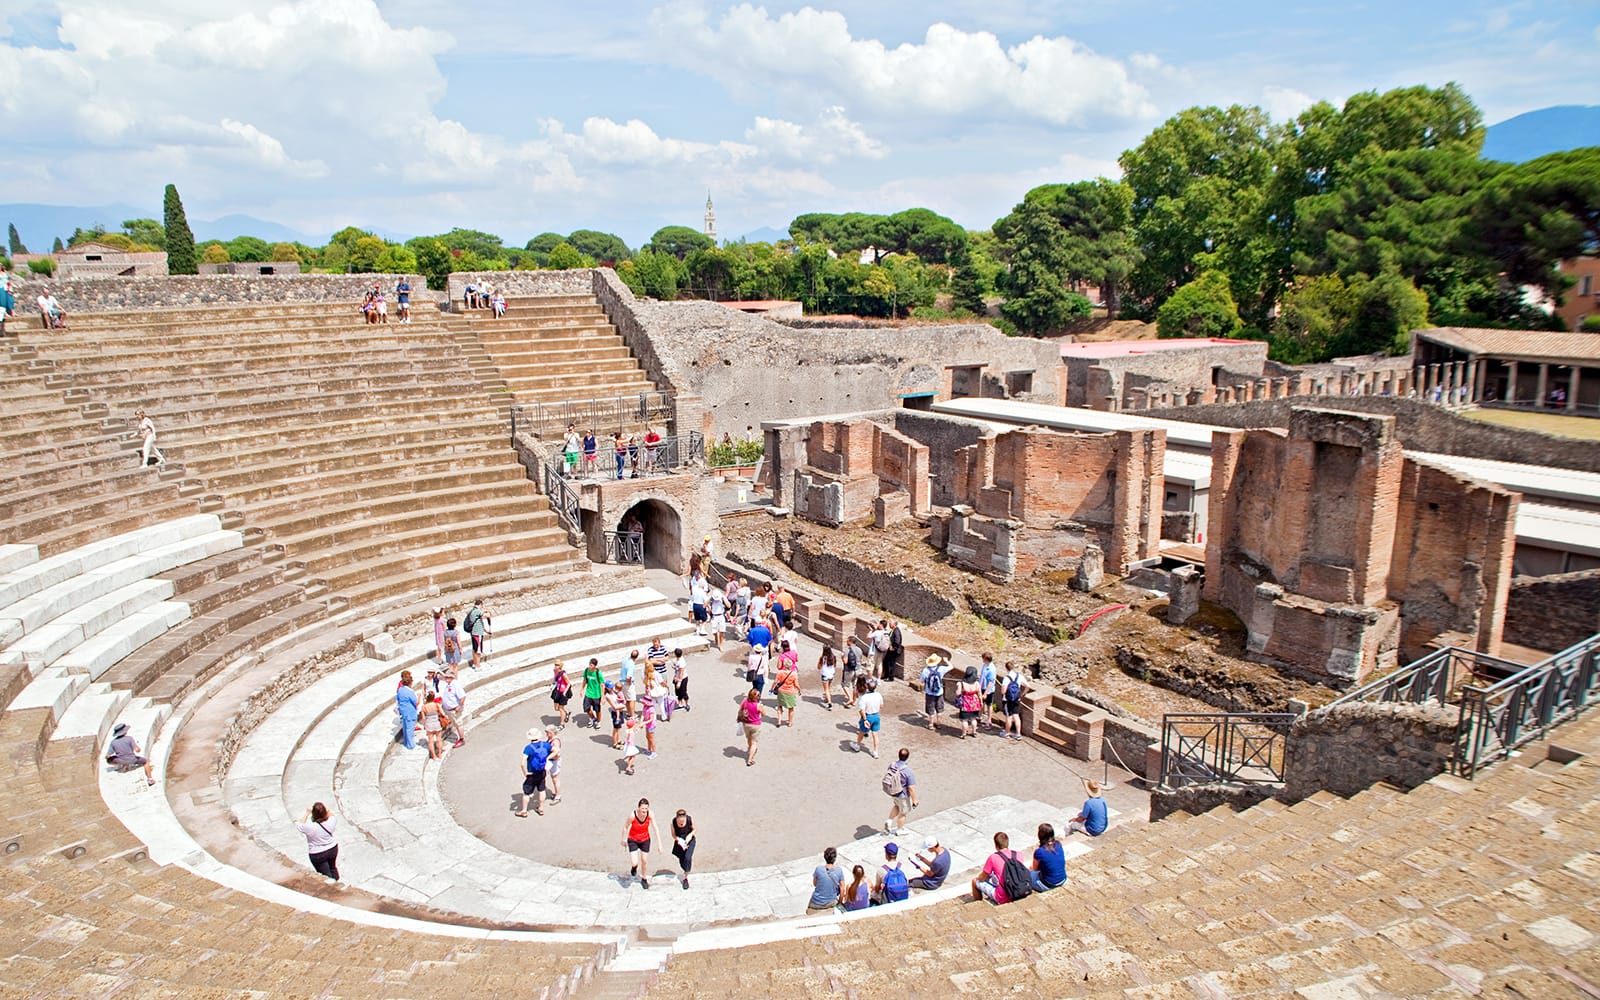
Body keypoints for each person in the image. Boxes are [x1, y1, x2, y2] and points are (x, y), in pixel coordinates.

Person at [972, 831, 1030, 905]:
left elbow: (983, 877)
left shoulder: (993, 858)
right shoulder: (1018, 854)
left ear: (996, 845)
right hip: (1022, 890)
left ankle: (978, 905)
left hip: (1003, 896)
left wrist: (978, 878)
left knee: (974, 881)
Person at [623, 798, 660, 889]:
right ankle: (634, 867)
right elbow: (625, 827)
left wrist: (660, 844)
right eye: (642, 808)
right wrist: (623, 839)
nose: (644, 811)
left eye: (646, 808)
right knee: (634, 862)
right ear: (639, 808)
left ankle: (644, 878)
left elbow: (655, 828)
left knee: (644, 861)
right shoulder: (632, 815)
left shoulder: (650, 814)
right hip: (633, 839)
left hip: (645, 839)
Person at [296, 803, 339, 880]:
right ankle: (337, 882)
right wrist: (324, 810)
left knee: (326, 875)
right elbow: (331, 814)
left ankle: (333, 887)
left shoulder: (309, 827)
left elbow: (299, 824)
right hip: (332, 849)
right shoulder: (331, 821)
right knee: (333, 868)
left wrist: (307, 813)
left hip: (318, 853)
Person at [883, 747, 917, 836]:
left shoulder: (892, 765)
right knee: (903, 813)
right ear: (907, 757)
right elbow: (911, 788)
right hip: (902, 795)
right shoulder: (908, 771)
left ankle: (889, 821)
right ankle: (900, 829)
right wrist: (914, 800)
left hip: (893, 791)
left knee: (897, 806)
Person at [517, 728, 551, 817]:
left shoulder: (528, 748)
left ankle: (524, 811)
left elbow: (522, 763)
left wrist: (525, 773)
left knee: (526, 792)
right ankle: (541, 808)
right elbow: (553, 751)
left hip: (531, 773)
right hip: (542, 771)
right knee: (542, 790)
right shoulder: (546, 745)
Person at [773, 640, 801, 727]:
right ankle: (790, 722)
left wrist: (772, 688)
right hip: (791, 688)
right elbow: (797, 660)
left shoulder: (781, 657)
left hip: (782, 689)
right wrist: (799, 690)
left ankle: (779, 721)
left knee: (780, 706)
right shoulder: (794, 653)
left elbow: (778, 667)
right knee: (791, 708)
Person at [808, 846, 845, 913]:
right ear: (835, 858)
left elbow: (815, 884)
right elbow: (842, 890)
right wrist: (839, 902)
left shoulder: (818, 869)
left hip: (816, 902)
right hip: (831, 902)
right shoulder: (839, 870)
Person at [1032, 822, 1067, 891]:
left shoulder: (1039, 852)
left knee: (1029, 874)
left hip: (1049, 884)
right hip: (1062, 879)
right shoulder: (1058, 844)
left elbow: (1034, 869)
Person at [854, 677, 883, 758]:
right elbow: (881, 706)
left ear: (867, 687)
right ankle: (876, 752)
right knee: (875, 735)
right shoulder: (878, 695)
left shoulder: (864, 697)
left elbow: (861, 710)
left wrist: (865, 719)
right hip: (876, 716)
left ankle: (857, 746)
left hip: (868, 716)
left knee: (862, 732)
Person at [437, 669, 467, 747]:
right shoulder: (450, 683)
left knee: (458, 723)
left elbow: (463, 696)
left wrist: (459, 706)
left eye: (449, 677)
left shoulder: (455, 685)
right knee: (455, 723)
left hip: (454, 709)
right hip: (449, 709)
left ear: (452, 677)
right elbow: (444, 677)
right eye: (446, 677)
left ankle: (461, 739)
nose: (446, 678)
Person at [419, 690, 451, 760]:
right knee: (439, 739)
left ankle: (433, 756)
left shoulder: (424, 707)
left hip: (429, 724)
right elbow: (443, 713)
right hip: (437, 724)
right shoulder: (436, 705)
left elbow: (423, 718)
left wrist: (424, 725)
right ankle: (439, 754)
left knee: (430, 741)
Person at [736, 687, 763, 766]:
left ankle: (750, 748)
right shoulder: (758, 705)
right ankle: (750, 759)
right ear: (755, 697)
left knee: (749, 738)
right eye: (758, 695)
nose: (759, 696)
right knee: (754, 742)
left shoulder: (744, 701)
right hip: (755, 725)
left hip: (746, 724)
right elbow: (764, 714)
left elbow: (740, 710)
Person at [956, 665, 984, 738]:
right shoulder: (977, 684)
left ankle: (964, 734)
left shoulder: (961, 683)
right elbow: (980, 694)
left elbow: (958, 693)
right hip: (974, 703)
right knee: (973, 719)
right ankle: (974, 732)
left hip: (965, 704)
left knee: (964, 720)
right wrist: (981, 702)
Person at [1001, 661, 1027, 741]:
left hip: (1008, 700)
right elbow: (1028, 686)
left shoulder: (1006, 678)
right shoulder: (1019, 676)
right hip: (1016, 699)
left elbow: (1003, 691)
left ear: (1006, 668)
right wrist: (1022, 694)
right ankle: (1018, 734)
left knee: (1008, 716)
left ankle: (1007, 733)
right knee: (1016, 716)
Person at [920, 654, 946, 732]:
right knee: (939, 709)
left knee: (930, 709)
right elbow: (951, 667)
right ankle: (938, 723)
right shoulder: (941, 669)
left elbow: (921, 681)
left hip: (929, 693)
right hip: (939, 692)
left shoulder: (925, 670)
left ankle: (931, 724)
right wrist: (946, 661)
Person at [670, 809, 695, 889]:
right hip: (680, 841)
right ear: (677, 818)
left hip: (689, 840)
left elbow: (694, 829)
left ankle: (685, 877)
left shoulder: (689, 819)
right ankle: (685, 869)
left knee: (687, 858)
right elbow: (673, 835)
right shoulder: (673, 822)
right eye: (680, 819)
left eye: (683, 818)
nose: (681, 821)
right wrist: (678, 839)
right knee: (682, 860)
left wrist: (690, 835)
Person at [395, 670, 419, 750]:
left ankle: (406, 741)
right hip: (410, 711)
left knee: (405, 727)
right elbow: (416, 702)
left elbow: (398, 699)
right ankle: (410, 745)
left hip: (403, 711)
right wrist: (419, 696)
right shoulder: (409, 691)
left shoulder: (400, 690)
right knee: (410, 728)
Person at [463, 598, 491, 669]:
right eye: (482, 606)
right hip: (477, 634)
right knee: (478, 651)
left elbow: (478, 623)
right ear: (480, 604)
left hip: (474, 633)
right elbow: (488, 615)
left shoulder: (472, 611)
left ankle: (475, 664)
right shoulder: (477, 611)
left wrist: (486, 631)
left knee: (474, 649)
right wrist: (487, 612)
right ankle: (478, 666)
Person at [582, 657, 604, 728]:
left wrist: (603, 696)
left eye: (591, 665)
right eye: (589, 664)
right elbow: (585, 680)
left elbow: (602, 685)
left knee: (597, 710)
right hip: (588, 693)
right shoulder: (586, 671)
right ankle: (593, 718)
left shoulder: (598, 673)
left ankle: (598, 721)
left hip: (596, 695)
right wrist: (582, 689)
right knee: (586, 708)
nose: (590, 666)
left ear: (595, 666)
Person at [978, 652, 998, 731]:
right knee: (981, 702)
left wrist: (986, 693)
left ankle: (989, 720)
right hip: (981, 686)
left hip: (988, 690)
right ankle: (979, 716)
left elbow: (991, 682)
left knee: (989, 705)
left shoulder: (992, 669)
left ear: (986, 659)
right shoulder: (984, 665)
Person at [544, 725, 563, 805]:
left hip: (554, 761)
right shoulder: (550, 739)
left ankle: (558, 795)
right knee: (545, 776)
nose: (546, 734)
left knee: (555, 778)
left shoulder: (555, 741)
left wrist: (548, 758)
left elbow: (557, 753)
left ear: (551, 733)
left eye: (547, 733)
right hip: (550, 761)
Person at [550, 660, 573, 727]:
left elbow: (569, 684)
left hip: (563, 692)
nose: (555, 666)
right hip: (557, 691)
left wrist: (565, 692)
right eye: (555, 664)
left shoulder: (563, 674)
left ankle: (562, 724)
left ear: (560, 666)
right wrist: (552, 684)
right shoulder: (555, 671)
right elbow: (555, 678)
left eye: (557, 665)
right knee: (556, 708)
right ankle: (567, 712)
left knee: (560, 708)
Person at [618, 649, 640, 715]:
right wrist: (629, 682)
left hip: (622, 682)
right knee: (632, 699)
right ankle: (632, 715)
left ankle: (629, 713)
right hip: (627, 683)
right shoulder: (631, 665)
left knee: (627, 699)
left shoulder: (625, 660)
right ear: (636, 657)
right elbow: (628, 677)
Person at [604, 682, 626, 749]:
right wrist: (623, 706)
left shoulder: (614, 692)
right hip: (615, 713)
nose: (611, 688)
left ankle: (618, 740)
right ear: (607, 688)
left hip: (620, 711)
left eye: (612, 687)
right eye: (610, 687)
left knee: (619, 727)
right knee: (616, 728)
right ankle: (615, 743)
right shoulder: (608, 696)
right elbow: (615, 707)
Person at [705, 585, 727, 651]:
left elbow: (729, 605)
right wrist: (709, 599)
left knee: (721, 631)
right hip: (714, 616)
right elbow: (704, 605)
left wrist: (724, 598)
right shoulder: (711, 600)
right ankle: (716, 639)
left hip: (721, 616)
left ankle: (720, 645)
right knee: (714, 632)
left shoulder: (722, 598)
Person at [841, 639, 860, 706]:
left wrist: (842, 657)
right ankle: (854, 701)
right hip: (857, 670)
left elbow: (845, 661)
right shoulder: (859, 649)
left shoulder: (847, 650)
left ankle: (850, 698)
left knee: (844, 685)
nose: (846, 642)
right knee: (855, 685)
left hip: (848, 670)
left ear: (850, 642)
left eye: (847, 641)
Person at [670, 647, 690, 712]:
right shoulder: (677, 660)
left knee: (683, 692)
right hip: (677, 677)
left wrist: (679, 682)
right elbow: (677, 669)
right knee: (678, 692)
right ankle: (680, 704)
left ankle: (687, 704)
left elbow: (681, 673)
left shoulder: (681, 662)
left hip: (682, 679)